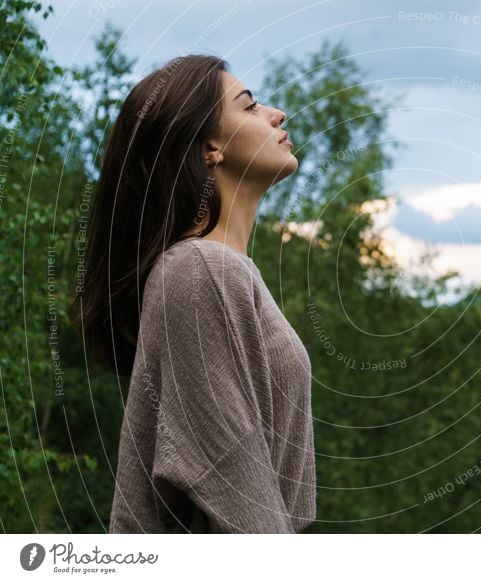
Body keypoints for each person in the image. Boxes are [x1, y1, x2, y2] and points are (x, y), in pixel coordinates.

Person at [71, 54, 316, 533]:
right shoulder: (199, 268)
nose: (276, 114)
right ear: (210, 148)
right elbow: (230, 477)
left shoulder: (222, 271)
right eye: (249, 107)